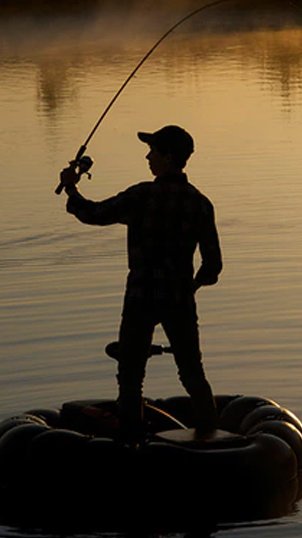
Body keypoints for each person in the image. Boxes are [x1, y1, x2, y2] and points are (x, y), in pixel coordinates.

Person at [59, 125, 222, 446]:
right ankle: (212, 443)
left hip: (140, 299)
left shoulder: (141, 196)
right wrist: (190, 288)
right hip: (180, 302)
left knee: (131, 379)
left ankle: (131, 447)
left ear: (168, 157)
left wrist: (70, 189)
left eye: (153, 152)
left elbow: (92, 213)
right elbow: (212, 268)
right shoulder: (201, 204)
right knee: (193, 375)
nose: (148, 157)